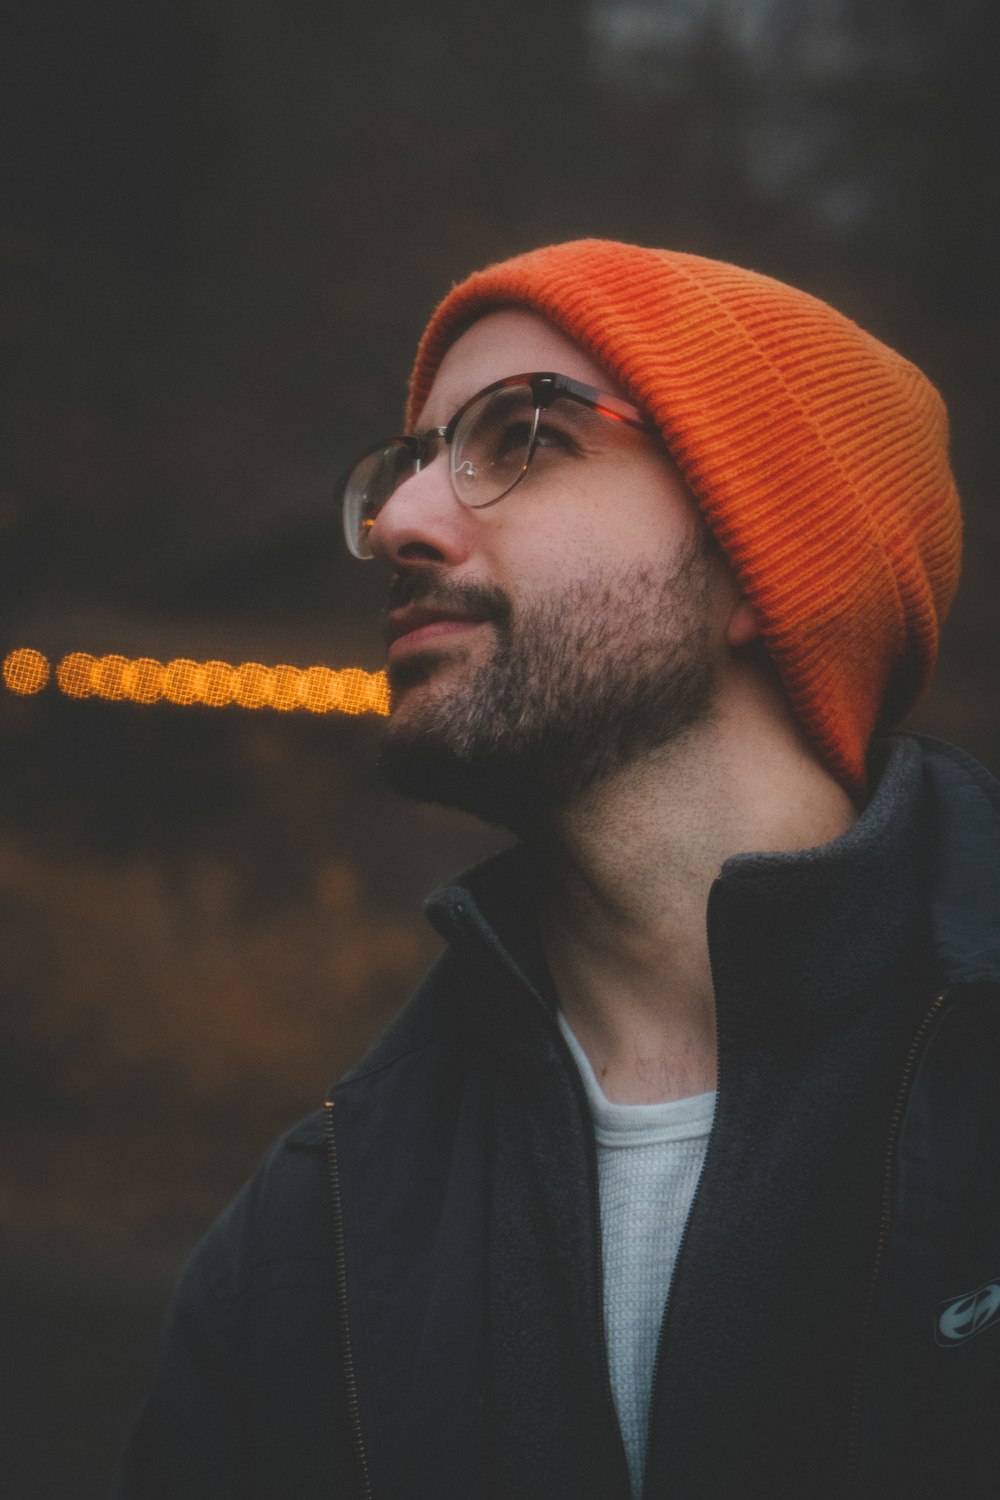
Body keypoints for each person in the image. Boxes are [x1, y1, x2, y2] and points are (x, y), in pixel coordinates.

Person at [115, 239, 1000, 1500]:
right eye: (411, 464)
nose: (398, 523)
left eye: (519, 436)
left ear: (762, 553)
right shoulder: (314, 1235)